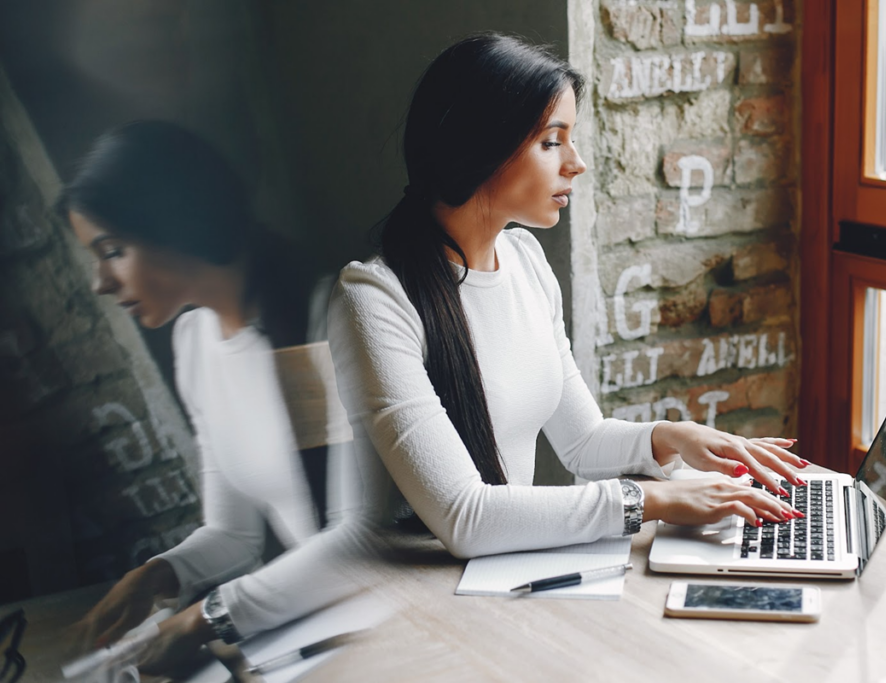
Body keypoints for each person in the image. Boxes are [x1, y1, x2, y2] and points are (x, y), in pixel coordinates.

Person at [328, 33, 808, 561]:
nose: (575, 163)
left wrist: (674, 437)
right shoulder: (375, 299)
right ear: (480, 147)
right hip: (411, 595)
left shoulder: (526, 261)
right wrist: (656, 498)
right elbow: (465, 516)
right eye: (552, 141)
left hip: (503, 571)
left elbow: (583, 440)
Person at [63, 121, 366, 674]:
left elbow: (354, 543)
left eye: (112, 251)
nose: (99, 282)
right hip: (308, 631)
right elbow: (234, 534)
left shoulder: (320, 323)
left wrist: (206, 617)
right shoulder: (194, 340)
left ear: (173, 224)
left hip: (385, 627)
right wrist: (159, 574)